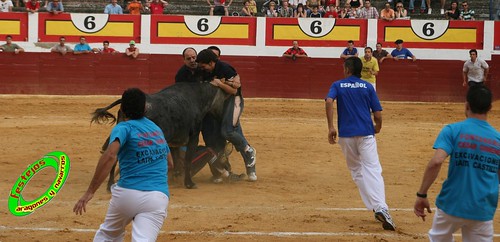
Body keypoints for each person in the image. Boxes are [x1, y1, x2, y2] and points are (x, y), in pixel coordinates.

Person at [73, 88, 173, 242]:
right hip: (157, 197)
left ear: (121, 109)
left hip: (127, 194)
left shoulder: (123, 128)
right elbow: (170, 164)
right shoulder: (156, 129)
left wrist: (90, 191)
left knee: (108, 235)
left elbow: (110, 155)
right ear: (145, 108)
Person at [413, 85, 499, 242]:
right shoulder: (497, 139)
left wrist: (422, 194)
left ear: (466, 105)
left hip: (452, 203)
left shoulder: (453, 130)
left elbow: (436, 161)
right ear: (490, 108)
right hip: (482, 208)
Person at [325, 57, 396, 231]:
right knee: (373, 169)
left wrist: (331, 127)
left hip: (347, 136)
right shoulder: (368, 86)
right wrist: (377, 127)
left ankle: (375, 207)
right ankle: (381, 207)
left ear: (348, 69)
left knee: (357, 171)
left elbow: (328, 101)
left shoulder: (338, 85)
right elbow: (378, 115)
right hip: (366, 134)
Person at [196, 49, 257, 182]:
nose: (201, 68)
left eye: (203, 65)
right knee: (217, 138)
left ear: (211, 63)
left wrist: (220, 84)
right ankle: (222, 172)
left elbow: (235, 91)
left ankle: (248, 151)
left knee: (228, 132)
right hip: (216, 106)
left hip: (233, 101)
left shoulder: (225, 68)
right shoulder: (203, 71)